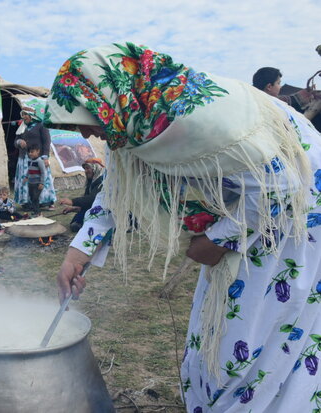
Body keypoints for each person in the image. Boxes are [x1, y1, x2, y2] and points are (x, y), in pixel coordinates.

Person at [46, 42, 321, 412]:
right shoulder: (131, 118)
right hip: (252, 214)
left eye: (82, 119)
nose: (83, 134)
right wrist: (78, 252)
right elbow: (115, 188)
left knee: (256, 339)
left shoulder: (197, 116)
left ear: (107, 99)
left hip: (296, 218)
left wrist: (217, 240)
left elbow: (283, 185)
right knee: (217, 330)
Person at [14, 107, 57, 210]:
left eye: (25, 114)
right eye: (22, 115)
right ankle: (27, 203)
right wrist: (19, 142)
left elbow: (46, 141)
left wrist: (45, 157)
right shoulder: (22, 127)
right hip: (24, 159)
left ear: (31, 115)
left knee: (41, 178)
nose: (24, 117)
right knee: (26, 180)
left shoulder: (41, 125)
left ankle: (45, 201)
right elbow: (15, 142)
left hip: (39, 158)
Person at [58, 158, 104, 232]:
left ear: (95, 168)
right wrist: (74, 208)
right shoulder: (92, 181)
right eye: (85, 169)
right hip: (92, 208)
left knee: (76, 224)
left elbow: (92, 199)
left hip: (102, 209)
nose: (85, 171)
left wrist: (72, 202)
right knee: (75, 222)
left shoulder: (102, 181)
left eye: (88, 168)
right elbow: (86, 198)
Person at [24, 144, 46, 217]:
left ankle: (38, 212)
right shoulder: (29, 160)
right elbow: (29, 170)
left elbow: (43, 173)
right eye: (29, 152)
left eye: (32, 152)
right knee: (31, 197)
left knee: (35, 198)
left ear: (38, 151)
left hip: (37, 184)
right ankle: (35, 211)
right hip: (30, 183)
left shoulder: (40, 161)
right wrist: (26, 177)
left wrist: (41, 183)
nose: (30, 153)